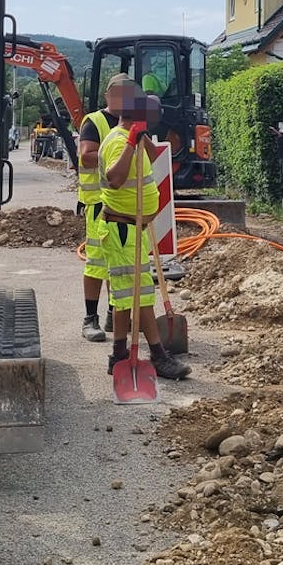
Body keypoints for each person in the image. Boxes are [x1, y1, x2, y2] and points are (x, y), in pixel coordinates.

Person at [100, 83, 190, 380]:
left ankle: (118, 354)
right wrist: (129, 141)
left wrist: (141, 137)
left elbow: (152, 158)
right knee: (140, 296)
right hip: (122, 230)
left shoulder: (134, 136)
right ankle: (158, 354)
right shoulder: (116, 141)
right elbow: (114, 179)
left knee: (127, 296)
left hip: (132, 230)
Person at [77, 73, 133, 341]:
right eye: (119, 94)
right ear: (108, 95)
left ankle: (115, 314)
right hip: (99, 205)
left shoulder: (132, 124)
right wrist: (114, 153)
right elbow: (86, 156)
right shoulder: (95, 121)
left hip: (124, 206)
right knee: (97, 263)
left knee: (119, 263)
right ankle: (90, 319)